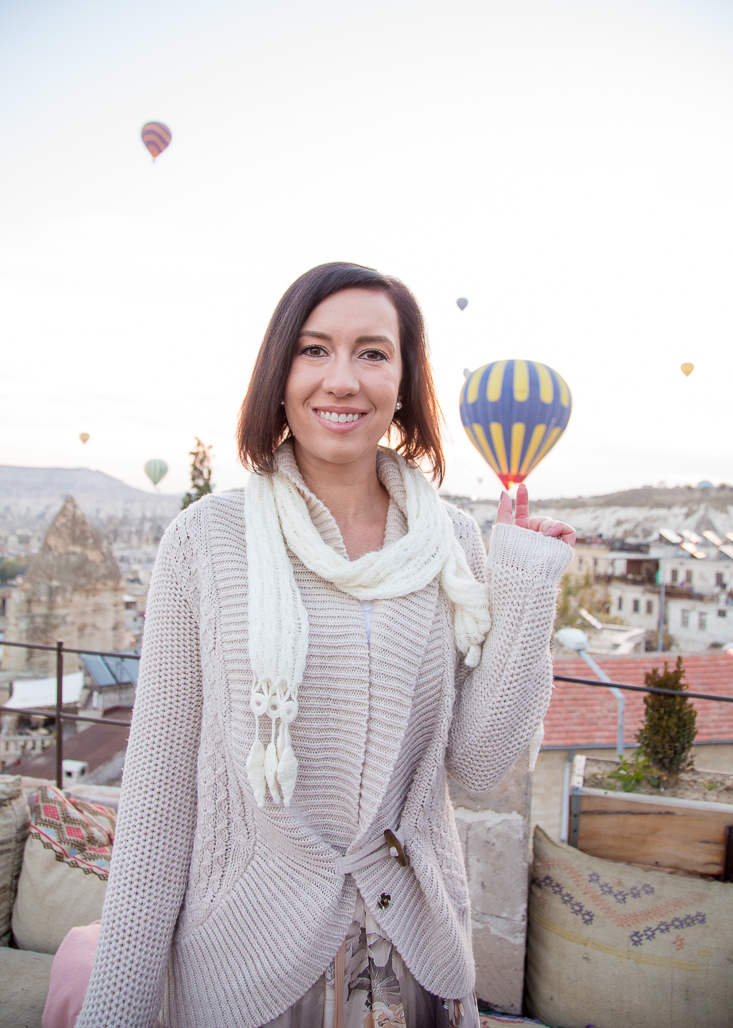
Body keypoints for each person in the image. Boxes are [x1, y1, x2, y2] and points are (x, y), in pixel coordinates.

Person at [69, 262, 574, 1028]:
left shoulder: (452, 543)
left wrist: (529, 590)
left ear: (404, 383)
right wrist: (115, 1013)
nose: (341, 379)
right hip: (248, 966)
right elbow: (159, 802)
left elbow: (474, 767)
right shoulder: (204, 543)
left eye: (372, 353)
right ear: (279, 373)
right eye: (313, 350)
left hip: (412, 960)